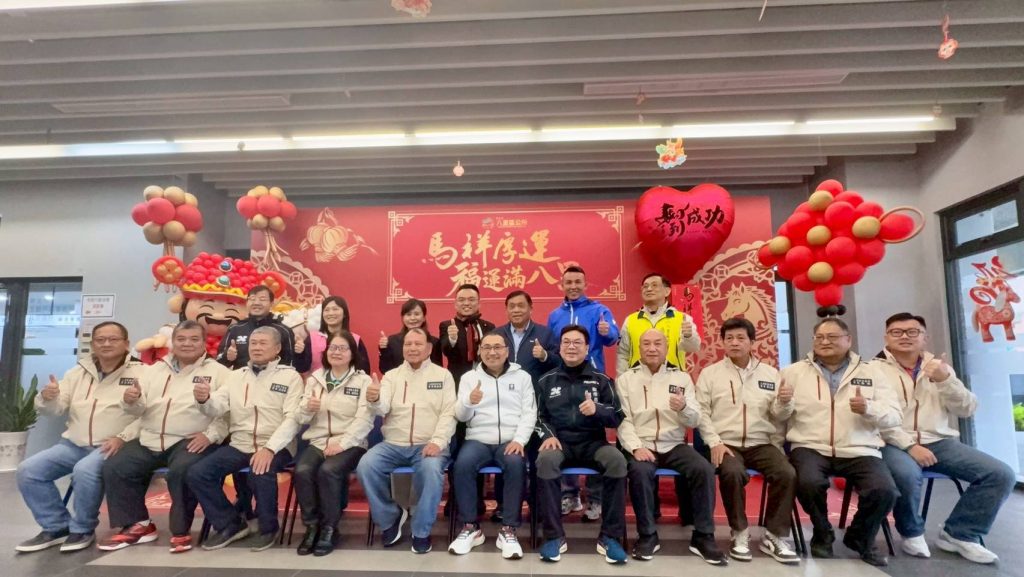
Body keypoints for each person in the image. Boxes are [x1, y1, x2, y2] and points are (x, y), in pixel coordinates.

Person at [877, 312, 1015, 564]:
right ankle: (911, 531)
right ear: (886, 337)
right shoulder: (872, 370)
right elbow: (872, 418)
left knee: (1000, 474)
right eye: (896, 332)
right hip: (892, 442)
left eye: (912, 332)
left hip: (939, 442)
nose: (905, 336)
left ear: (925, 337)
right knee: (906, 474)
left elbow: (967, 408)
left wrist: (945, 380)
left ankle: (961, 533)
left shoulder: (940, 368)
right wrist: (910, 445)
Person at [98, 320, 230, 554]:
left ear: (204, 343)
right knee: (117, 465)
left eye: (194, 339)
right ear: (172, 342)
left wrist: (210, 436)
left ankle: (180, 530)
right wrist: (130, 402)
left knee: (182, 471)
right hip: (150, 437)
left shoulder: (220, 373)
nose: (187, 344)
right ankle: (139, 525)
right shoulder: (153, 370)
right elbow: (140, 411)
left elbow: (228, 414)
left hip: (190, 439)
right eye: (181, 339)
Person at [780, 317, 901, 567]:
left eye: (832, 337)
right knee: (807, 482)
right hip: (810, 445)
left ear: (848, 340)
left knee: (884, 490)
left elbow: (894, 417)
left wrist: (868, 408)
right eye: (819, 337)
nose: (825, 342)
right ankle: (822, 532)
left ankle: (860, 537)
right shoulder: (793, 373)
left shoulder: (872, 372)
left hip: (860, 447)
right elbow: (778, 415)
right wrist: (782, 403)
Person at [15, 322, 144, 554]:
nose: (106, 344)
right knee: (29, 470)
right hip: (73, 444)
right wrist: (48, 397)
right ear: (92, 344)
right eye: (100, 339)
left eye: (113, 339)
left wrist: (123, 437)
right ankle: (56, 526)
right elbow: (55, 409)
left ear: (126, 344)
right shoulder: (77, 372)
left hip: (113, 445)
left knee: (84, 471)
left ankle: (83, 528)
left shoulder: (142, 373)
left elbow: (149, 415)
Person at [187, 326, 303, 552]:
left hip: (276, 444)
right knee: (198, 473)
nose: (257, 348)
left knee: (260, 470)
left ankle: (268, 529)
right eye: (253, 343)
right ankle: (230, 524)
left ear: (277, 348)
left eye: (263, 343)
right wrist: (204, 399)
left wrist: (269, 449)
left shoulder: (290, 377)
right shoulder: (235, 376)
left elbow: (293, 420)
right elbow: (218, 407)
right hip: (240, 444)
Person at [695, 317, 799, 564]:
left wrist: (785, 402)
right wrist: (714, 442)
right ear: (722, 342)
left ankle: (774, 535)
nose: (735, 343)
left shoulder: (770, 374)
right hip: (726, 442)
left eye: (741, 338)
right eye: (729, 338)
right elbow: (701, 413)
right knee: (732, 473)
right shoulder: (710, 374)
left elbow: (779, 415)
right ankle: (739, 532)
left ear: (752, 342)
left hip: (761, 442)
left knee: (786, 473)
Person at [619, 329, 726, 564]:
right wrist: (635, 447)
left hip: (675, 444)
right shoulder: (627, 379)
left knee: (703, 469)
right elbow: (623, 420)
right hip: (643, 443)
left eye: (658, 343)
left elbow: (695, 420)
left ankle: (704, 535)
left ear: (667, 348)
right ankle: (647, 535)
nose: (652, 348)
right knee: (639, 472)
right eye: (646, 343)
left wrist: (684, 408)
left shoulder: (681, 378)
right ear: (639, 348)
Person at [356, 328, 457, 554]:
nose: (412, 348)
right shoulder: (392, 376)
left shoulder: (443, 376)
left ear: (429, 348)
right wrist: (374, 399)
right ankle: (391, 517)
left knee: (431, 470)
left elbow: (448, 413)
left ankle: (421, 531)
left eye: (418, 344)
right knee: (366, 466)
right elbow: (382, 408)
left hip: (429, 443)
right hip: (393, 444)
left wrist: (438, 442)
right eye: (408, 344)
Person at [533, 324, 628, 564]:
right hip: (560, 443)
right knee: (545, 461)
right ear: (559, 347)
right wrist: (548, 436)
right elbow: (538, 417)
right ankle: (554, 536)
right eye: (566, 342)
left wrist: (598, 410)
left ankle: (610, 537)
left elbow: (617, 416)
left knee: (617, 461)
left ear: (587, 348)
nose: (571, 347)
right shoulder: (546, 381)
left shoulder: (602, 380)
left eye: (577, 342)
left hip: (593, 443)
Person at [448, 332, 537, 559]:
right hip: (477, 439)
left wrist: (519, 440)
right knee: (462, 464)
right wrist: (469, 402)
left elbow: (529, 413)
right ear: (480, 352)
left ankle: (508, 529)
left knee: (515, 464)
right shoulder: (469, 378)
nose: (492, 352)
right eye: (486, 347)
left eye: (497, 347)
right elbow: (460, 415)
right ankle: (471, 527)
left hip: (510, 439)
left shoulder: (522, 377)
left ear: (507, 351)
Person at [546, 266, 620, 519]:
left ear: (585, 284)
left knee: (594, 436)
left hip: (592, 377)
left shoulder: (600, 310)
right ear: (562, 285)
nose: (573, 286)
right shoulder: (555, 315)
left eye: (578, 281)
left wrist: (606, 332)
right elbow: (554, 348)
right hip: (564, 378)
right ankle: (570, 495)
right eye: (569, 282)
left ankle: (596, 499)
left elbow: (613, 338)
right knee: (564, 432)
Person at [293, 330, 374, 557]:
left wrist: (343, 444)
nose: (336, 352)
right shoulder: (315, 379)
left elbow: (365, 420)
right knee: (302, 470)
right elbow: (300, 418)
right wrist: (307, 409)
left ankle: (329, 528)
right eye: (332, 348)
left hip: (351, 443)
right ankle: (312, 527)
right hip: (318, 441)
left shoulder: (363, 381)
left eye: (342, 348)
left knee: (328, 470)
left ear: (352, 353)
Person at [616, 273, 699, 375]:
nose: (649, 289)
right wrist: (621, 378)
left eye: (654, 285)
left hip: (672, 379)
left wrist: (688, 336)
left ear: (667, 291)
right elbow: (623, 354)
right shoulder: (630, 320)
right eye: (645, 286)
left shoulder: (682, 318)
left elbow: (693, 348)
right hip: (637, 379)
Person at [217, 285, 311, 373]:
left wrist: (300, 353)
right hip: (242, 381)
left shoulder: (284, 331)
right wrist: (227, 357)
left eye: (262, 299)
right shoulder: (235, 329)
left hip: (273, 382)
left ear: (271, 303)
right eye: (252, 299)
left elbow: (300, 368)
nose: (256, 303)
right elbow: (219, 363)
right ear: (247, 302)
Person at [493, 290, 558, 385]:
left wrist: (545, 356)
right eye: (512, 306)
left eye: (521, 306)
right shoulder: (496, 334)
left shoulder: (545, 333)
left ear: (530, 309)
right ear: (506, 310)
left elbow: (558, 363)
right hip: (503, 389)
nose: (516, 310)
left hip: (533, 388)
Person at [439, 284, 496, 386]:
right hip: (458, 380)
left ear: (479, 303)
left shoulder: (489, 326)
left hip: (486, 379)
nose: (466, 303)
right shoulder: (447, 325)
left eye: (471, 299)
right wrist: (452, 339)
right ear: (455, 304)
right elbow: (446, 351)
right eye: (461, 300)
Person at [377, 298, 443, 374]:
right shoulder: (392, 341)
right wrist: (384, 349)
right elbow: (385, 370)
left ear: (424, 318)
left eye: (416, 314)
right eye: (408, 314)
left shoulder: (434, 342)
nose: (412, 318)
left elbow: (438, 371)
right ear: (403, 318)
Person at [309, 296, 371, 373]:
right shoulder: (312, 338)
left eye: (335, 309)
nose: (330, 313)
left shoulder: (355, 339)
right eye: (326, 310)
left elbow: (364, 370)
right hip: (317, 380)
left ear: (344, 313)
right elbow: (302, 368)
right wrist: (299, 352)